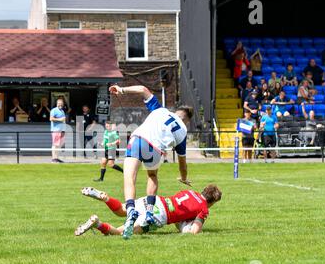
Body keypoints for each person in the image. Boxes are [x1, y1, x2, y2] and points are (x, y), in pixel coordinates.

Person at [109, 85, 193, 240]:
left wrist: (121, 90)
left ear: (176, 112)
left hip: (138, 139)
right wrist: (184, 177)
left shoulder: (161, 110)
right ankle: (148, 212)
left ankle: (130, 211)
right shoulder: (182, 130)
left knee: (129, 178)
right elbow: (182, 162)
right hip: (155, 149)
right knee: (152, 175)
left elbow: (142, 89)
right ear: (187, 120)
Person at [75, 185, 222, 237]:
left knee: (122, 209)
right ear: (212, 202)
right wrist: (197, 223)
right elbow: (194, 231)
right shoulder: (203, 208)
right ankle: (97, 223)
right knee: (120, 232)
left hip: (155, 201)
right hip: (159, 214)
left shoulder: (190, 192)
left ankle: (105, 198)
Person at [50, 98, 66, 163]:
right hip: (55, 130)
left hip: (61, 130)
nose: (60, 104)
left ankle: (56, 158)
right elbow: (51, 119)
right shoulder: (54, 110)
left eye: (61, 103)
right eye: (59, 103)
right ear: (57, 104)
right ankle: (53, 159)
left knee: (58, 145)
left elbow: (63, 121)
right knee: (55, 144)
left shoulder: (62, 111)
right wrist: (60, 119)